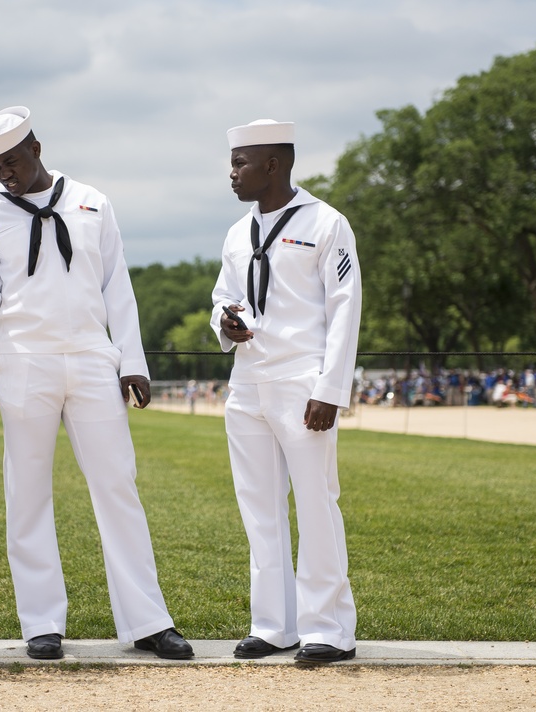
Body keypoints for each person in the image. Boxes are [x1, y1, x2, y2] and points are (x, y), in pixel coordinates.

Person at [0, 106, 193, 661]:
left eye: (11, 161)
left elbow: (118, 285)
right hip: (24, 361)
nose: (5, 174)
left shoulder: (92, 202)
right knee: (28, 490)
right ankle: (41, 623)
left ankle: (148, 621)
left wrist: (132, 360)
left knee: (117, 485)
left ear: (35, 148)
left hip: (92, 358)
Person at [211, 119, 362, 664]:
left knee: (317, 505)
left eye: (240, 163)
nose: (231, 174)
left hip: (303, 382)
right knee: (259, 508)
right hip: (247, 381)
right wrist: (223, 324)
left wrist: (331, 388)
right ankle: (274, 625)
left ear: (273, 164)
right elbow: (223, 295)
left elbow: (346, 308)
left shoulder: (327, 223)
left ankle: (329, 629)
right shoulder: (236, 232)